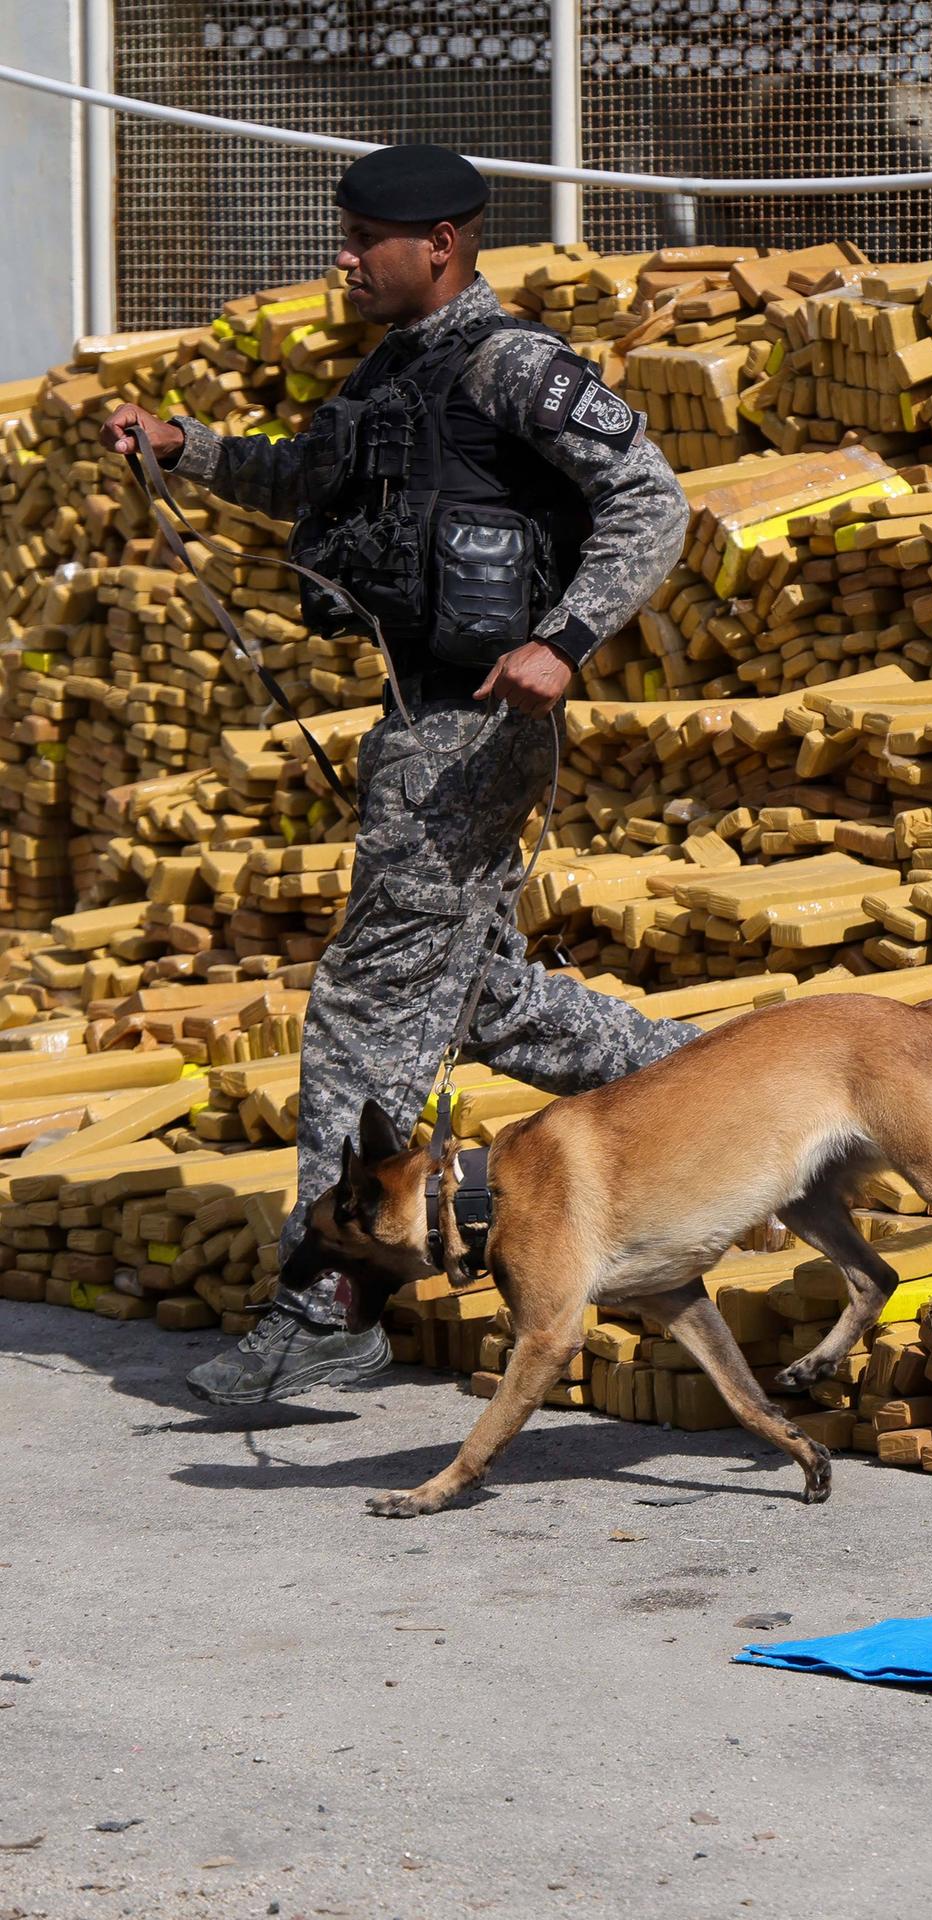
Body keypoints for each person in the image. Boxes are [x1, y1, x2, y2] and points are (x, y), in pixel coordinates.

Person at [101, 143, 700, 1404]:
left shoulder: (515, 365)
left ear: (440, 245)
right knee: (470, 996)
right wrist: (183, 444)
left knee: (368, 1000)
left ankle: (331, 1300)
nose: (342, 256)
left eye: (364, 237)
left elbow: (653, 500)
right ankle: (723, 1081)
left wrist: (566, 637)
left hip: (476, 722)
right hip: (415, 713)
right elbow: (307, 480)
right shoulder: (391, 378)